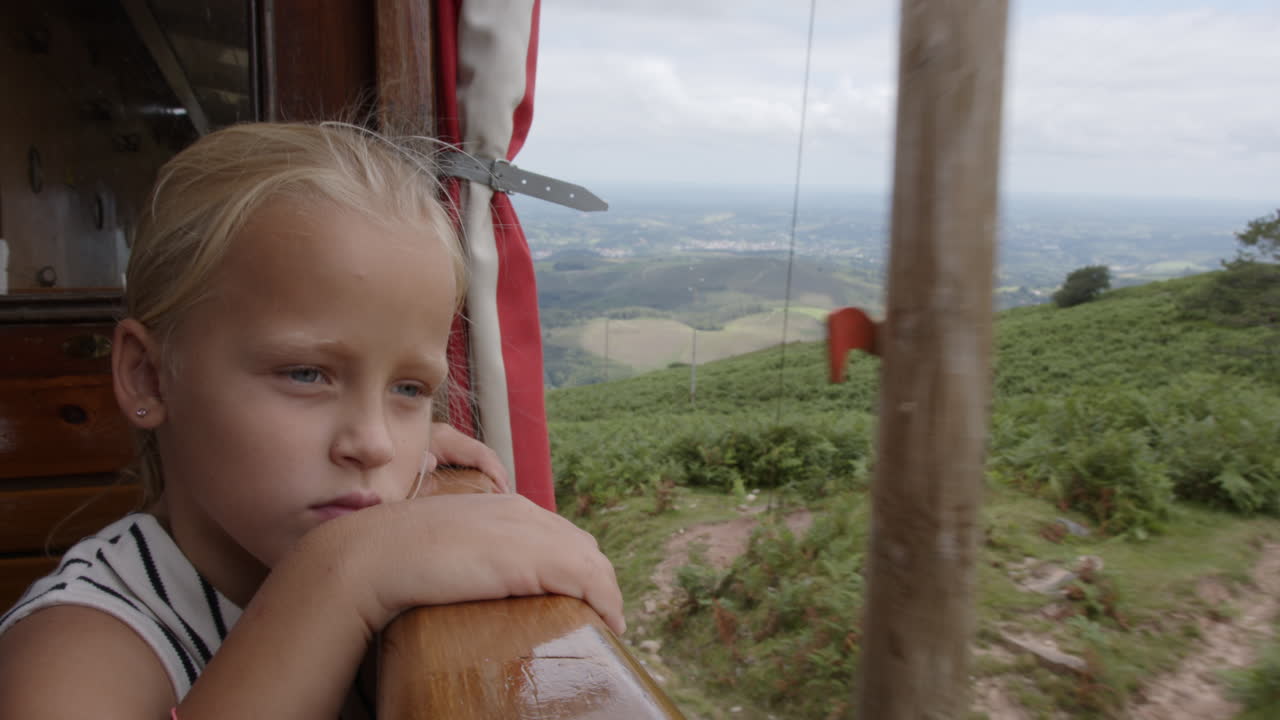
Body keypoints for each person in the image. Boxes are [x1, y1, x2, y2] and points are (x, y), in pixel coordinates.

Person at [0, 122, 623, 719]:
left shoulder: (349, 473)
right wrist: (347, 572)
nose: (374, 443)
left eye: (408, 389)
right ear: (148, 375)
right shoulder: (72, 649)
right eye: (305, 374)